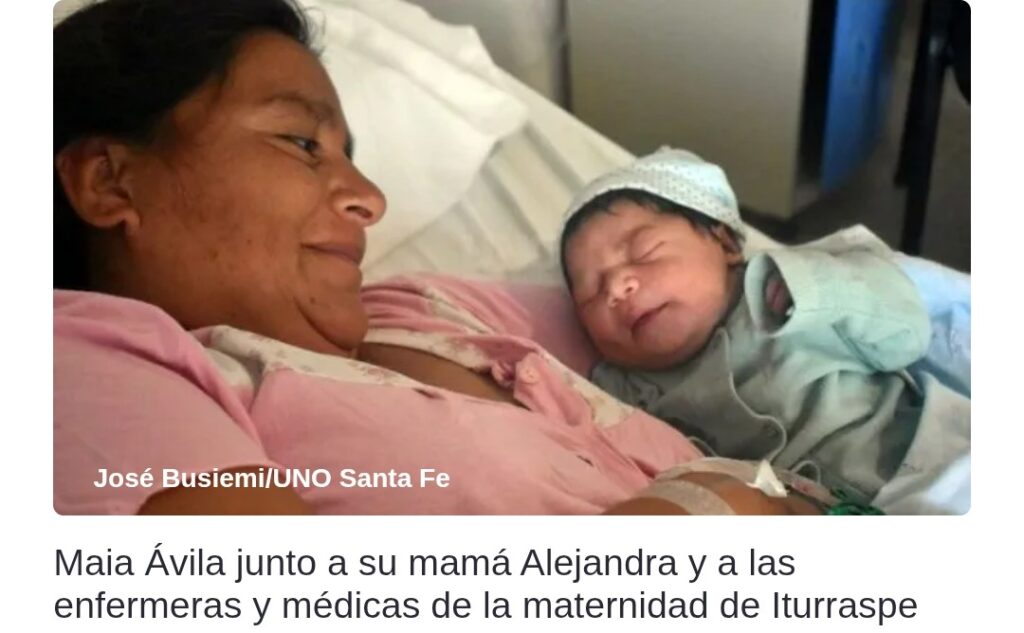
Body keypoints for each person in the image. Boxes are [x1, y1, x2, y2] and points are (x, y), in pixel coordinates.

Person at [54, 0, 825, 515]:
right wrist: (710, 510)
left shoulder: (414, 307)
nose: (368, 198)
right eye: (301, 143)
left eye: (350, 156)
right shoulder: (88, 362)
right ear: (109, 181)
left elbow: (688, 307)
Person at [559, 148, 971, 514]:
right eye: (591, 292)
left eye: (644, 252)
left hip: (933, 460)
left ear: (725, 243)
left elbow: (907, 333)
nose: (617, 288)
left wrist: (820, 291)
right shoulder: (626, 390)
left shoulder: (787, 287)